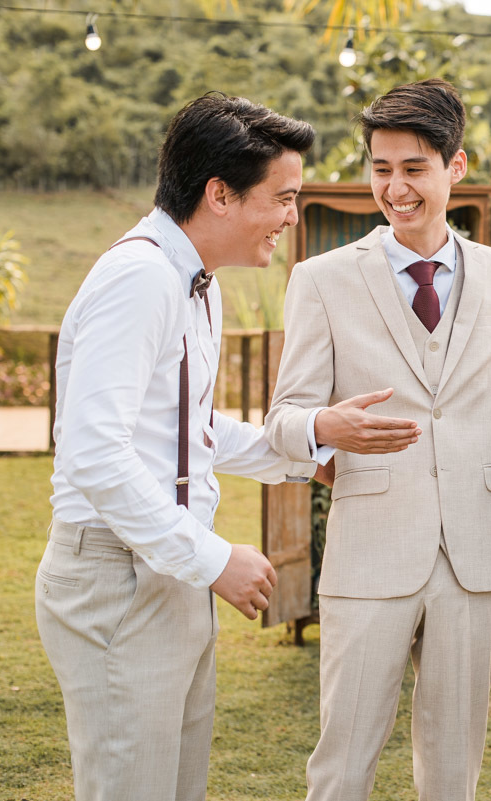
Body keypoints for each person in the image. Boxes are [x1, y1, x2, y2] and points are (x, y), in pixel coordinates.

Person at [35, 93, 416, 801]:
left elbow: (190, 431)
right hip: (119, 578)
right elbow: (92, 452)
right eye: (283, 198)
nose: (291, 218)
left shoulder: (196, 285)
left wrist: (313, 436)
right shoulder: (141, 279)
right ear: (219, 194)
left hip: (166, 569)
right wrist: (213, 558)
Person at [263, 78, 491, 801]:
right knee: (341, 764)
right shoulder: (321, 280)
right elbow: (284, 417)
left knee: (453, 770)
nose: (395, 187)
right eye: (381, 168)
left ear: (454, 168)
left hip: (472, 558)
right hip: (368, 553)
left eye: (413, 168)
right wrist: (324, 426)